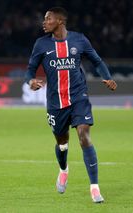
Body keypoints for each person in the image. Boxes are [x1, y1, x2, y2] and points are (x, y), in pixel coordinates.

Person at [25, 7, 117, 203]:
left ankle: (94, 188)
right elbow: (30, 69)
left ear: (60, 21)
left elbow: (97, 61)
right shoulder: (41, 44)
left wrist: (107, 77)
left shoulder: (79, 40)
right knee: (62, 143)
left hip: (78, 97)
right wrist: (31, 81)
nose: (44, 22)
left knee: (84, 136)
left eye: (48, 18)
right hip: (56, 102)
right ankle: (64, 169)